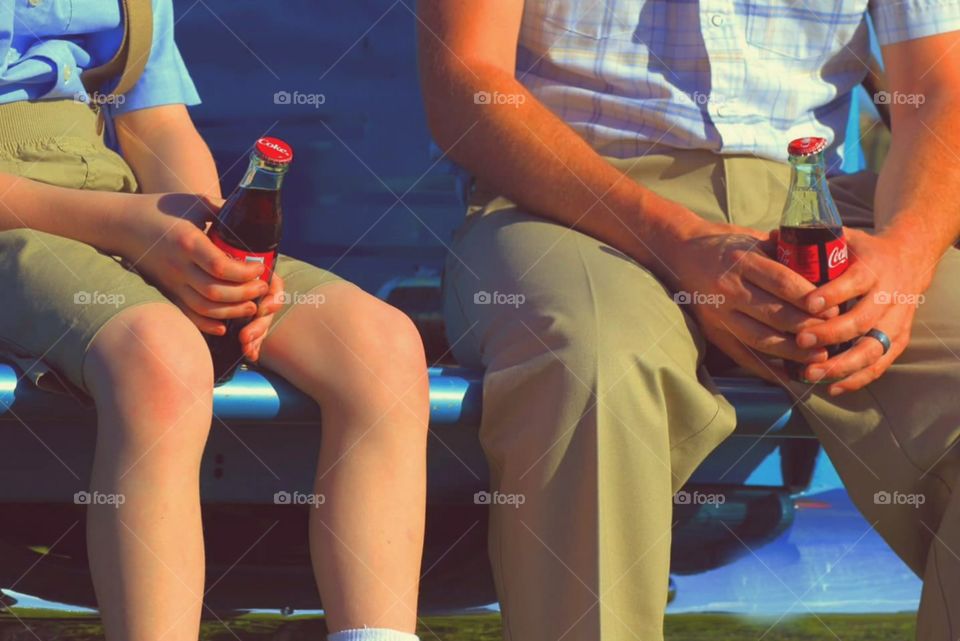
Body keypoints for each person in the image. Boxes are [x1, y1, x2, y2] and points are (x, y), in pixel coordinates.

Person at [418, 1, 960, 640]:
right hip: (568, 202)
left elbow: (937, 84)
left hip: (817, 209)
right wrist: (675, 239)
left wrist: (907, 252)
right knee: (593, 366)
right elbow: (466, 77)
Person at [0, 2, 427, 640]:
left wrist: (216, 251)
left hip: (118, 208)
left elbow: (156, 126)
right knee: (161, 356)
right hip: (25, 222)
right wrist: (125, 225)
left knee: (382, 348)